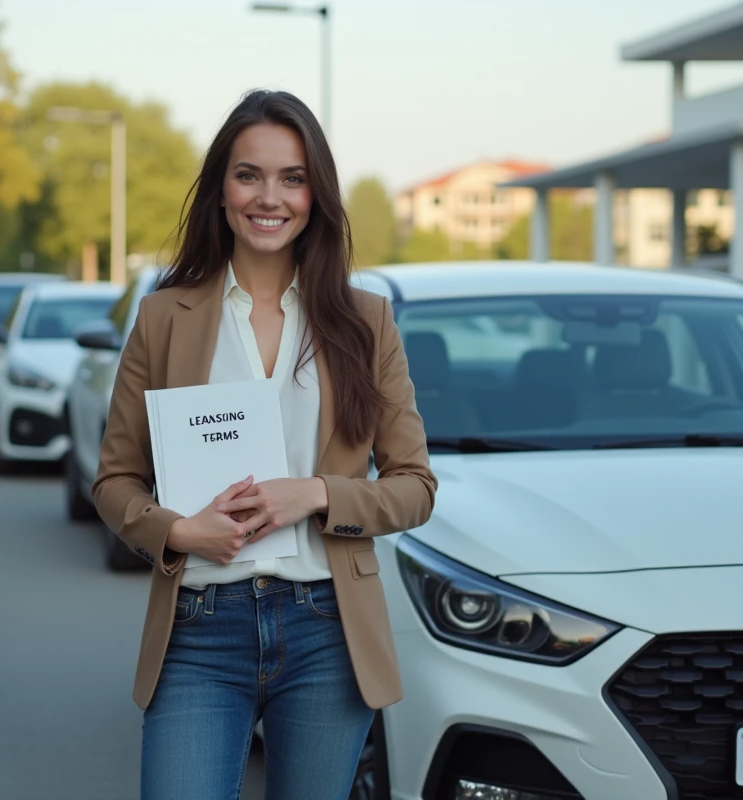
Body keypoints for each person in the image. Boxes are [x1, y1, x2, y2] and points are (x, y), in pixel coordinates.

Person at [92, 89, 437, 800]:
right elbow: (115, 480)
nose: (268, 197)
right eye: (249, 175)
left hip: (325, 627)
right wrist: (179, 529)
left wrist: (316, 494)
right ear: (222, 190)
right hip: (199, 627)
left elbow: (415, 487)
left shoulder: (365, 321)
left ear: (316, 195)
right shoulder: (164, 318)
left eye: (292, 177)